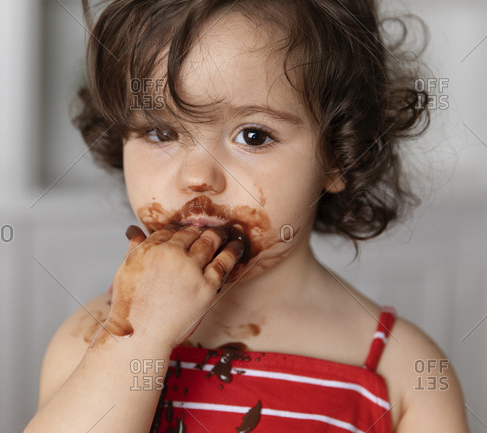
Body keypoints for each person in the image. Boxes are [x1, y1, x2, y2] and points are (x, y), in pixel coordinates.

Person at [24, 0, 470, 431]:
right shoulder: (93, 338)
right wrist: (140, 338)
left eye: (253, 135)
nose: (197, 177)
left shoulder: (405, 374)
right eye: (161, 131)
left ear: (338, 155)